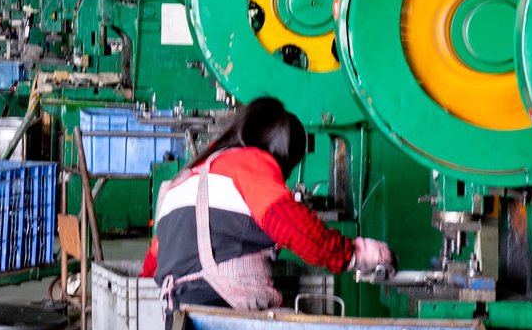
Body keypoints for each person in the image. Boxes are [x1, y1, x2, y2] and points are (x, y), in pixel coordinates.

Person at [139, 98, 392, 309]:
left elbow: (152, 264)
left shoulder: (182, 180)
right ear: (281, 152)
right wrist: (357, 254)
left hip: (179, 321)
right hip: (226, 319)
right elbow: (294, 227)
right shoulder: (249, 163)